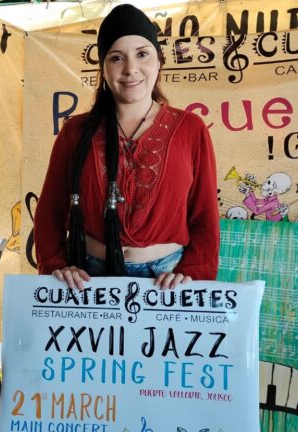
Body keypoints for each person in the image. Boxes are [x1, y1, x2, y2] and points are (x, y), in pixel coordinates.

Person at [34, 4, 219, 291]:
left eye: (142, 54)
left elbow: (204, 213)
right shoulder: (76, 132)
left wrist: (193, 272)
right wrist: (56, 265)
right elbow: (50, 210)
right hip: (86, 278)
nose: (131, 69)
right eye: (117, 58)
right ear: (103, 68)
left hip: (166, 280)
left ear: (159, 60)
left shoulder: (190, 128)